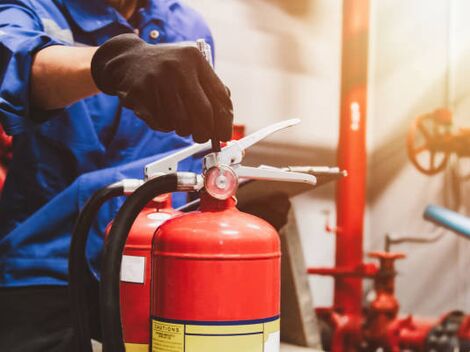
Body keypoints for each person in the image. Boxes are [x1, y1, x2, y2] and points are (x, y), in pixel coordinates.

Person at [0, 0, 233, 350]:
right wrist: (108, 64)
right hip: (44, 270)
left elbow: (184, 155)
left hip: (154, 274)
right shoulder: (32, 8)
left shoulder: (188, 25)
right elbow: (17, 66)